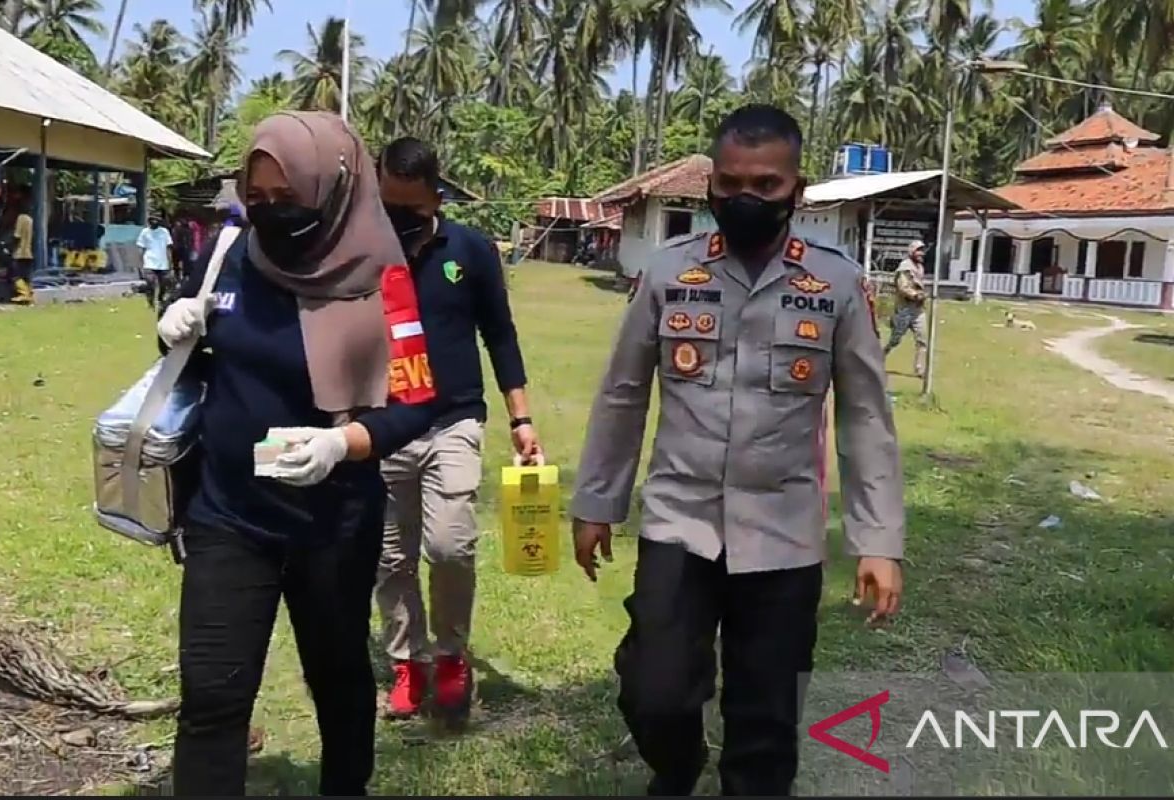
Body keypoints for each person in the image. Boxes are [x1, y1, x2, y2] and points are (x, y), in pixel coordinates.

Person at [569, 104, 906, 796]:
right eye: (730, 184)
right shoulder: (669, 275)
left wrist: (879, 540)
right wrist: (597, 502)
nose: (745, 199)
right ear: (709, 186)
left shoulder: (837, 285)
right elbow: (624, 394)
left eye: (766, 185)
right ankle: (679, 764)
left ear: (798, 191)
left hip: (783, 535)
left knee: (766, 722)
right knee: (653, 691)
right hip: (679, 523)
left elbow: (866, 417)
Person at [157, 111, 439, 796]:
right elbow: (201, 363)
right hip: (229, 516)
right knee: (211, 698)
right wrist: (173, 327)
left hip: (333, 525)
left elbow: (417, 401)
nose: (270, 212)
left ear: (335, 188)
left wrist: (342, 443)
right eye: (257, 197)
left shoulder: (384, 279)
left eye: (289, 198)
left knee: (339, 681)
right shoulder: (229, 253)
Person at [373, 136, 539, 724]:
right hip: (382, 424)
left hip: (453, 419)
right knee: (390, 558)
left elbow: (501, 334)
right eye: (386, 204)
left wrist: (520, 417)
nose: (397, 219)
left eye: (408, 209)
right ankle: (406, 663)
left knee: (448, 545)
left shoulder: (469, 248)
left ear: (434, 196)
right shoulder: (365, 251)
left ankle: (450, 656)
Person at [884, 239, 928, 377]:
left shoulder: (919, 267)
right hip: (904, 309)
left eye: (922, 250)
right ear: (912, 251)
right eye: (918, 250)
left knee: (922, 340)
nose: (921, 253)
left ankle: (919, 369)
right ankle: (879, 357)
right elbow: (902, 287)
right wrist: (915, 295)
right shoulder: (905, 267)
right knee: (895, 340)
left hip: (917, 310)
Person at [137, 214, 175, 309]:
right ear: (149, 221)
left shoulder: (164, 232)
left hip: (162, 263)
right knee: (150, 283)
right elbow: (141, 248)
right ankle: (150, 301)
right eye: (152, 220)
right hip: (149, 262)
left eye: (156, 220)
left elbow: (168, 247)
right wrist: (140, 264)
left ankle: (160, 299)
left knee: (164, 284)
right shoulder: (144, 232)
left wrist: (170, 263)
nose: (154, 222)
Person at [9, 186, 34, 304]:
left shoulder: (21, 218)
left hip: (19, 253)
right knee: (26, 277)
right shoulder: (30, 219)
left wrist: (10, 249)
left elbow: (17, 236)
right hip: (28, 253)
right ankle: (29, 294)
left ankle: (23, 294)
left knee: (15, 276)